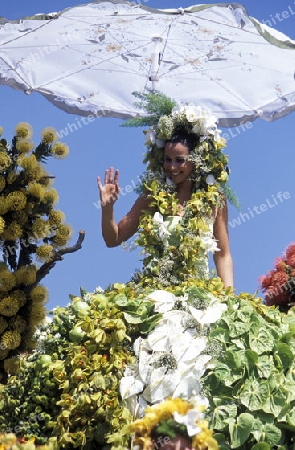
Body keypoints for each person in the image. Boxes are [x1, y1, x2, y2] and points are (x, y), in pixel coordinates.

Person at [97, 110, 234, 289]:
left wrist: (230, 300)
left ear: (197, 160)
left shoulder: (214, 200)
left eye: (179, 160)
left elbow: (223, 256)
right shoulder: (152, 197)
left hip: (199, 294)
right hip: (157, 292)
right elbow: (113, 239)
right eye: (167, 159)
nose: (172, 166)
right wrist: (108, 208)